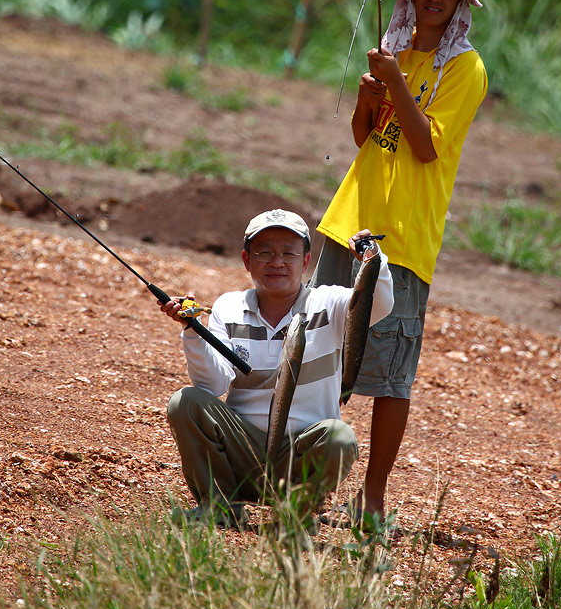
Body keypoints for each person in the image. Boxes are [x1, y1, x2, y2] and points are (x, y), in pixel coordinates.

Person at [310, 0, 488, 525]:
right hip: (348, 221)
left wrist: (394, 85)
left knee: (391, 374)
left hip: (403, 238)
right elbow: (368, 137)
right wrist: (369, 96)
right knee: (317, 351)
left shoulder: (466, 68)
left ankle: (374, 494)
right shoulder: (397, 53)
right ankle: (304, 479)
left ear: (460, 3)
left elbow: (427, 145)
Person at [160, 208, 394, 529]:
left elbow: (378, 302)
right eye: (264, 253)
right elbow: (212, 385)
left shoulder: (330, 303)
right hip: (243, 451)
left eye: (288, 253)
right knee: (185, 402)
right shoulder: (229, 307)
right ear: (246, 260)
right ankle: (220, 505)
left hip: (300, 454)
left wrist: (372, 258)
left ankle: (292, 513)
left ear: (306, 261)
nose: (277, 262)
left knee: (340, 438)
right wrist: (192, 331)